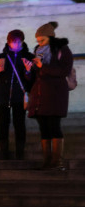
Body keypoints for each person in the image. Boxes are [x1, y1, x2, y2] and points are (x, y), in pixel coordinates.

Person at [26, 21, 74, 170]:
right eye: (37, 40)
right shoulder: (37, 50)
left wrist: (42, 66)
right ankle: (47, 161)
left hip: (55, 94)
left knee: (54, 126)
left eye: (42, 40)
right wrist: (29, 70)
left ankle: (57, 161)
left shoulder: (62, 49)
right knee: (44, 128)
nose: (39, 43)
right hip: (39, 95)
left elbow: (63, 71)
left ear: (50, 37)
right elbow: (35, 75)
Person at [0, 30, 34, 160]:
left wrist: (28, 71)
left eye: (19, 42)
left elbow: (32, 79)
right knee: (3, 124)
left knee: (19, 124)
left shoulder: (28, 57)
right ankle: (4, 152)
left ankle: (20, 152)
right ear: (8, 42)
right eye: (14, 42)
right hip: (2, 96)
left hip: (19, 96)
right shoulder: (1, 57)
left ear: (22, 42)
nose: (16, 44)